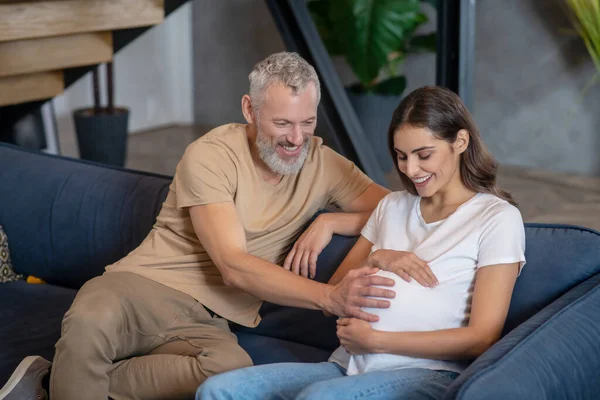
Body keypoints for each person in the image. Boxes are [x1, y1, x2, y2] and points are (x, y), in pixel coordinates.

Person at [0, 52, 394, 400]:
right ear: (249, 109)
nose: (296, 138)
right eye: (283, 123)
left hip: (208, 319)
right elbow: (233, 266)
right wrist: (328, 297)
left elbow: (397, 207)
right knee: (90, 318)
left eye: (307, 123)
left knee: (228, 369)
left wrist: (333, 220)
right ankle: (70, 380)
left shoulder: (323, 164)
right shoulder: (210, 154)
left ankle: (55, 384)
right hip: (143, 286)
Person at [196, 86, 527, 400]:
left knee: (320, 398)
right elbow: (336, 292)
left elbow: (482, 338)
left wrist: (377, 340)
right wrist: (377, 257)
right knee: (218, 391)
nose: (411, 169)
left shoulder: (496, 219)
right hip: (346, 366)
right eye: (401, 156)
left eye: (424, 155)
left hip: (431, 372)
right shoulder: (391, 207)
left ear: (460, 141)